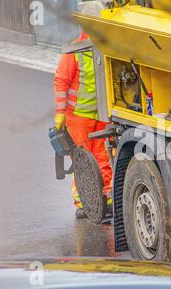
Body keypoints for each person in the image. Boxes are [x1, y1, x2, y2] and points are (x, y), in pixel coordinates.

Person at [53, 30, 112, 219]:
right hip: (79, 117)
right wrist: (60, 113)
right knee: (83, 161)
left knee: (104, 157)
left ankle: (106, 200)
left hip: (101, 114)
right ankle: (83, 203)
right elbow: (61, 82)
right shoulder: (73, 51)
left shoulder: (105, 46)